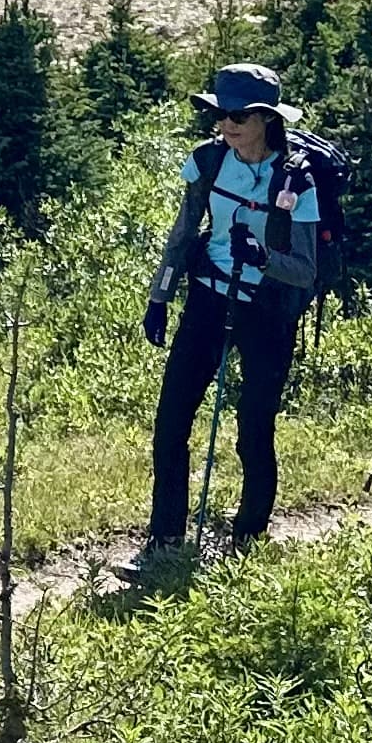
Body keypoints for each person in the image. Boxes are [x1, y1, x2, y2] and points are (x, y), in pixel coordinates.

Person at [117, 64, 326, 580]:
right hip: (207, 300)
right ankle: (164, 539)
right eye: (218, 113)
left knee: (253, 429)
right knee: (170, 423)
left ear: (266, 119)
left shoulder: (295, 180)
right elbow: (183, 231)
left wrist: (260, 257)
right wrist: (160, 296)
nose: (224, 124)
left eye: (236, 115)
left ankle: (249, 537)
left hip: (268, 312)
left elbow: (304, 272)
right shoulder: (208, 162)